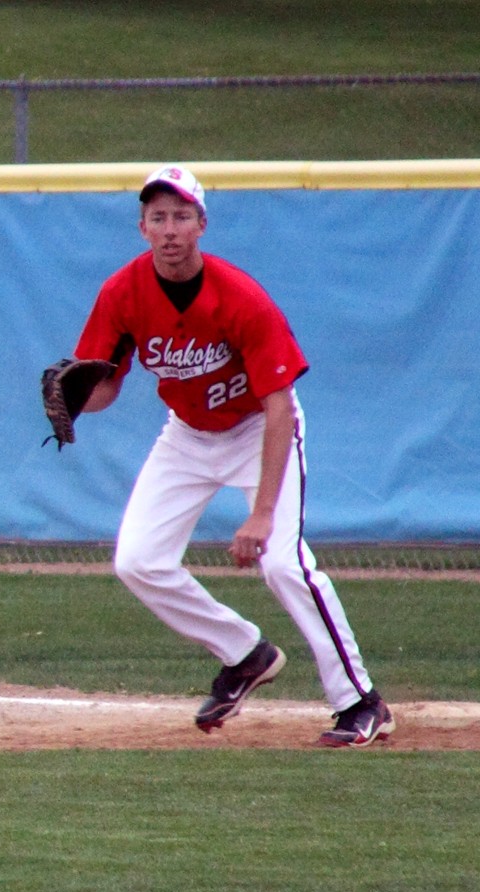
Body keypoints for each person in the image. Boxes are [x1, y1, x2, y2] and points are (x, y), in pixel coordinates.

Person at [70, 164, 388, 748]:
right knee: (138, 561)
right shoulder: (121, 293)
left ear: (202, 224)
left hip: (259, 429)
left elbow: (279, 406)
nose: (170, 229)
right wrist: (75, 399)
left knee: (284, 564)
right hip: (187, 435)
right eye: (159, 217)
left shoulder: (240, 296)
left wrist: (262, 514)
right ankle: (245, 653)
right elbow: (105, 385)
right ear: (142, 227)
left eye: (181, 216)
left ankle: (361, 700)